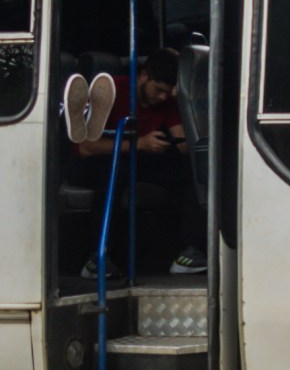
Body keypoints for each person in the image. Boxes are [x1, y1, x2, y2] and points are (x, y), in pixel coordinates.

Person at [75, 48, 203, 277]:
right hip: (96, 160)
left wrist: (183, 103)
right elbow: (86, 146)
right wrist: (140, 144)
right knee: (115, 171)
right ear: (144, 76)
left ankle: (190, 252)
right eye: (158, 90)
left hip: (137, 158)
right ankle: (96, 258)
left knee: (190, 172)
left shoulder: (166, 102)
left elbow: (184, 144)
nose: (162, 97)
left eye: (167, 93)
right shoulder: (110, 90)